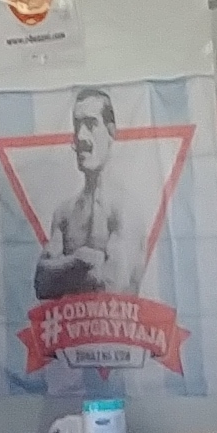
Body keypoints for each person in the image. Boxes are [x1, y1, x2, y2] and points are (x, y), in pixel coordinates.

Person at [33, 84, 134, 300]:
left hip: (116, 322)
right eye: (77, 126)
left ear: (111, 131)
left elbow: (112, 286)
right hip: (72, 322)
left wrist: (62, 271)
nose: (81, 137)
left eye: (90, 124)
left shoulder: (125, 208)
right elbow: (41, 283)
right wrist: (80, 259)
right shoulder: (64, 212)